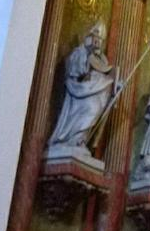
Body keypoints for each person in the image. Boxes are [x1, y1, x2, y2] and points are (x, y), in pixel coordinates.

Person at [47, 22, 115, 154]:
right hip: (78, 89)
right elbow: (76, 72)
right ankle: (71, 138)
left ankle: (80, 139)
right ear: (89, 38)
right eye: (95, 39)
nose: (97, 43)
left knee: (95, 108)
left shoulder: (101, 59)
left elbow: (105, 71)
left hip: (91, 91)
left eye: (100, 41)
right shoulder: (79, 52)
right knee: (91, 107)